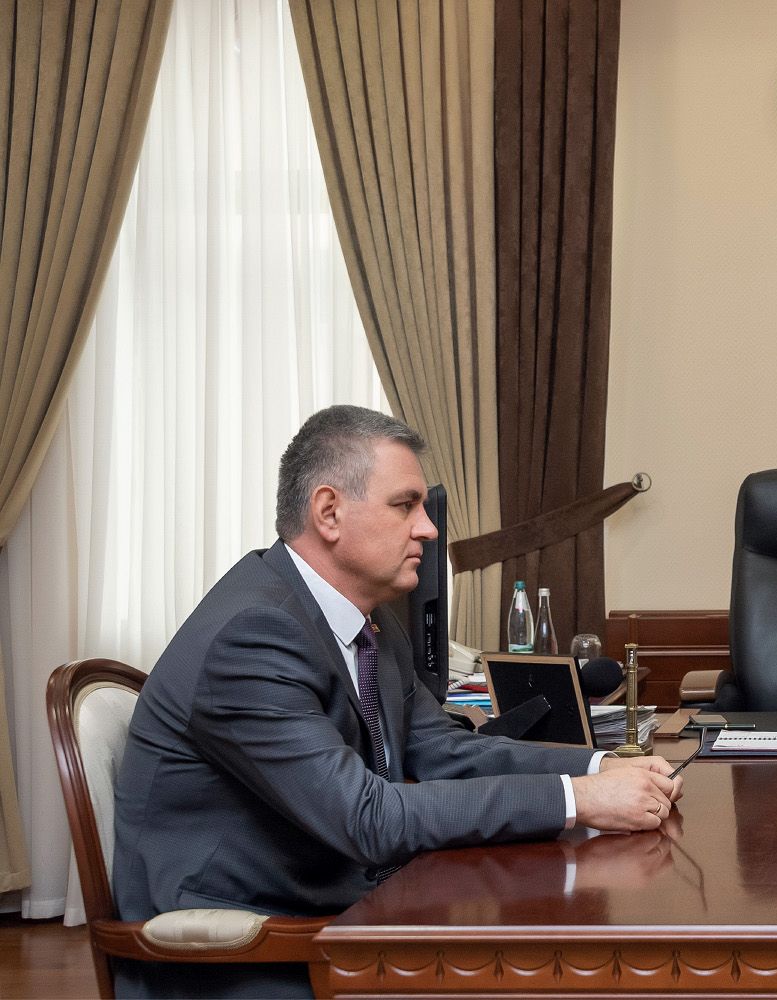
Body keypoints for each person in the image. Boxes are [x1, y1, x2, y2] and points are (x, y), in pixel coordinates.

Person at [112, 405, 682, 998]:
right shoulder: (253, 634)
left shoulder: (371, 624)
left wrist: (600, 767)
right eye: (405, 505)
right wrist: (579, 800)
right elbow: (367, 818)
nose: (429, 529)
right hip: (240, 952)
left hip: (336, 908)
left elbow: (445, 752)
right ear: (329, 511)